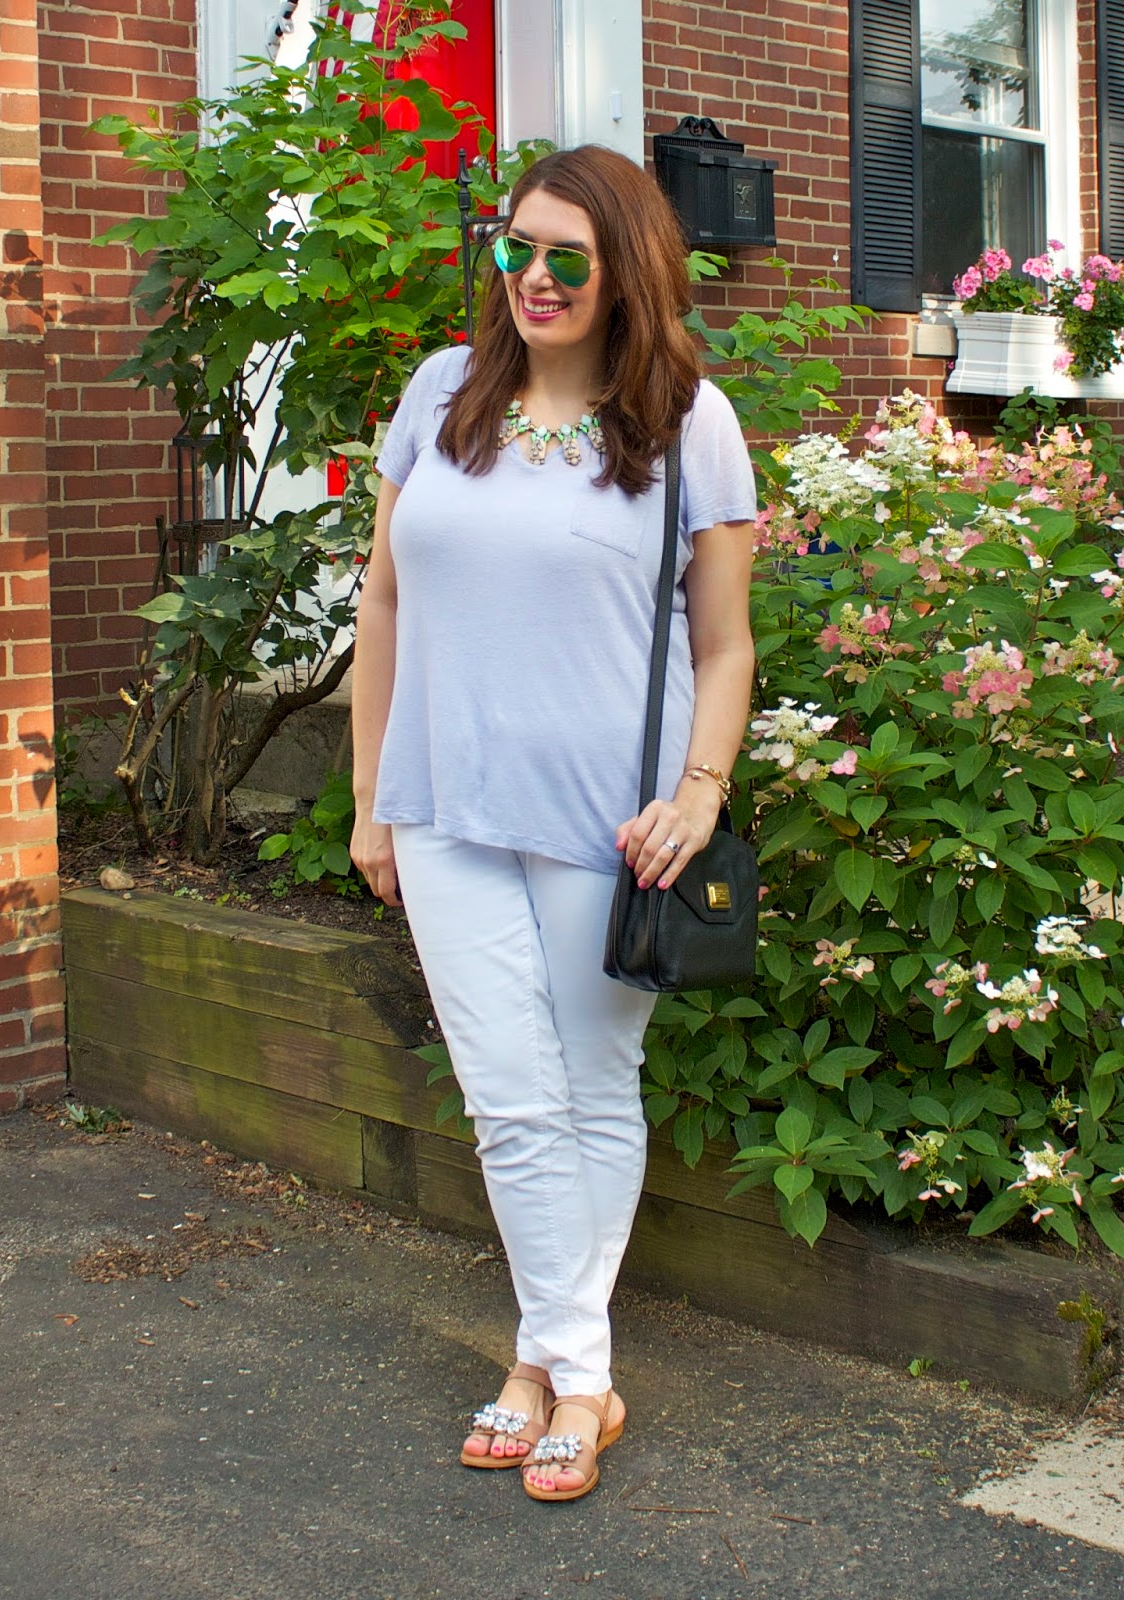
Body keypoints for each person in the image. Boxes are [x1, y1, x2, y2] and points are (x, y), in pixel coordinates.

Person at [347, 144, 756, 1502]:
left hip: (609, 824)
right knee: (510, 1099)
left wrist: (698, 794)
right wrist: (369, 799)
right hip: (442, 804)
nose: (532, 275)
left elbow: (723, 646)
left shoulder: (689, 421)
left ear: (625, 270)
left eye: (566, 256)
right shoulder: (440, 395)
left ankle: (544, 1368)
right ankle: (584, 1376)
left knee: (589, 1088)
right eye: (512, 246)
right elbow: (382, 602)